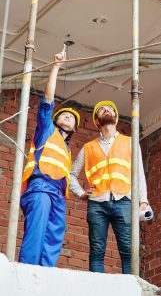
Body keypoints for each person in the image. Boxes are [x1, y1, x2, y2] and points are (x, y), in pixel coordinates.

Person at [70, 100, 149, 274]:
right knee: (97, 251)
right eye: (101, 110)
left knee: (128, 251)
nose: (106, 111)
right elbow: (71, 175)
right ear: (97, 120)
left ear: (115, 117)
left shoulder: (129, 142)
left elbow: (139, 172)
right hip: (97, 203)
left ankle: (130, 290)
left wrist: (143, 200)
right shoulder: (88, 148)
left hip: (124, 201)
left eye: (110, 109)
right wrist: (81, 193)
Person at [19, 47, 80, 266]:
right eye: (63, 115)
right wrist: (56, 67)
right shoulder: (47, 130)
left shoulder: (67, 149)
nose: (67, 117)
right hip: (41, 188)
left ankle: (44, 276)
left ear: (73, 129)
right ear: (55, 120)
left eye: (71, 118)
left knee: (54, 235)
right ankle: (27, 271)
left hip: (57, 195)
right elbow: (48, 98)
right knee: (36, 232)